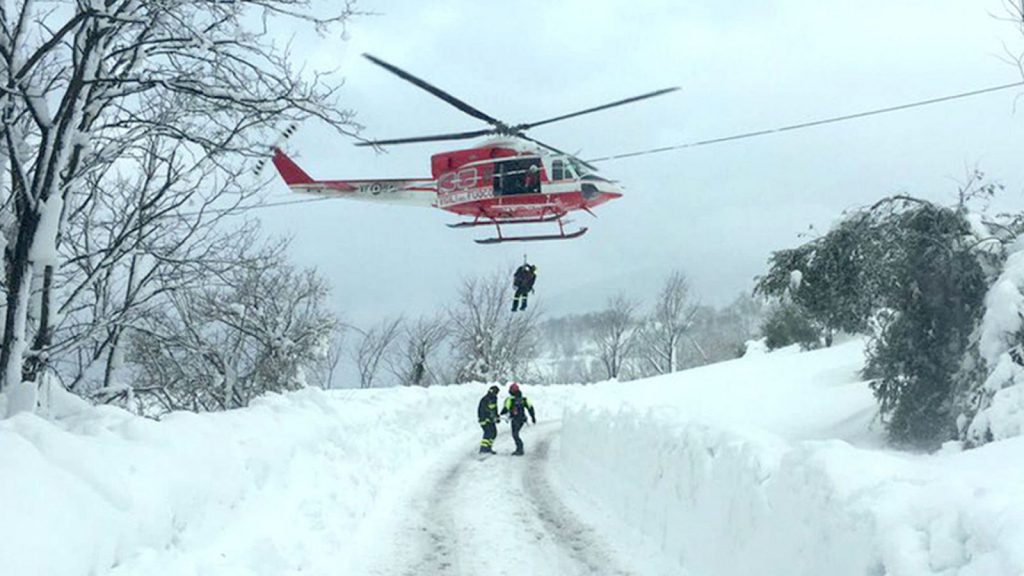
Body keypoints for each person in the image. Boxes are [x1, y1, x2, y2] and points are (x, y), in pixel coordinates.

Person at [499, 382, 536, 456]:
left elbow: (505, 409)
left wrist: (499, 415)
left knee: (515, 434)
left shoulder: (510, 399)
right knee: (516, 434)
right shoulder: (524, 399)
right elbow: (530, 408)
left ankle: (520, 449)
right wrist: (533, 417)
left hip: (515, 419)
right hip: (522, 419)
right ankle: (519, 448)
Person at [477, 385, 500, 454]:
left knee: (494, 433)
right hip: (484, 420)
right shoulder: (485, 399)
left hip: (491, 420)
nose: (496, 394)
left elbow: (495, 409)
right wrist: (483, 419)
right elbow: (481, 410)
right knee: (488, 433)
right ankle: (483, 449)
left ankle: (488, 448)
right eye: (496, 392)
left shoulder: (494, 399)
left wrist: (496, 417)